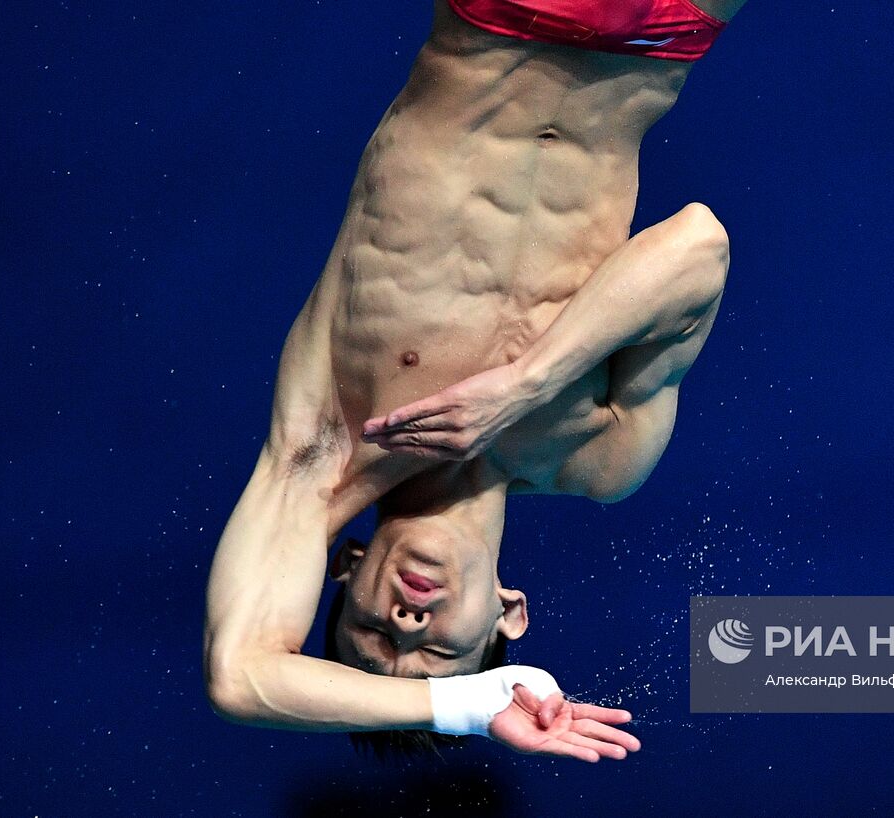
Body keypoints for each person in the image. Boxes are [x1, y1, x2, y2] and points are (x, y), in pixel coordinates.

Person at [204, 0, 748, 762]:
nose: (407, 626)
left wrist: (451, 703)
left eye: (369, 634)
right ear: (509, 614)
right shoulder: (597, 460)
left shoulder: (325, 450)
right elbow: (698, 246)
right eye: (435, 656)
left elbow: (239, 680)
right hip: (664, 35)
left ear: (349, 569)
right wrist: (524, 386)